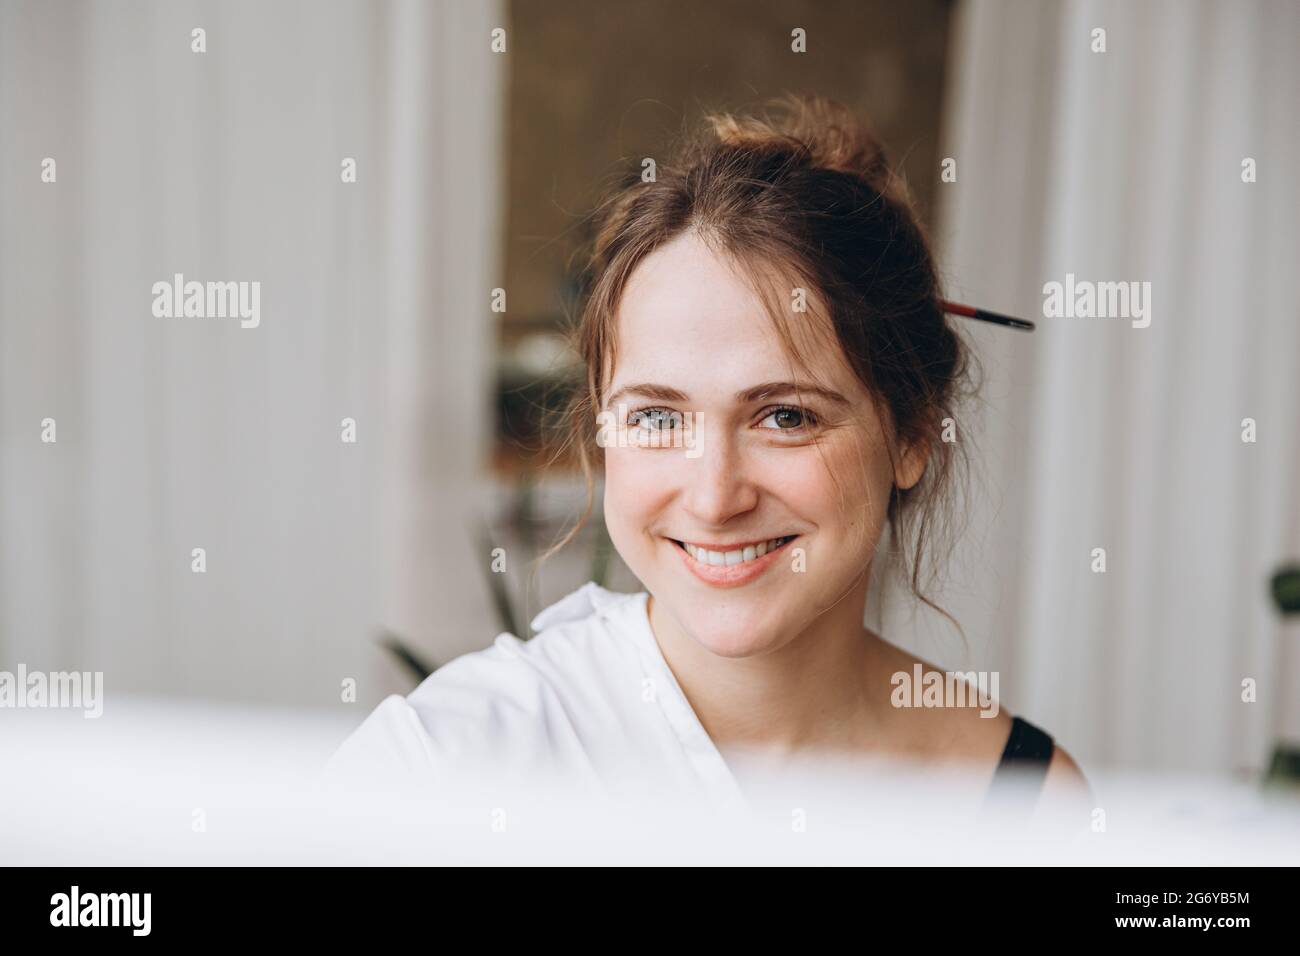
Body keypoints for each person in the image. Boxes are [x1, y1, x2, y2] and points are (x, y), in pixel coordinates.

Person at [326, 94, 1090, 827]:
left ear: (913, 436)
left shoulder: (1021, 802)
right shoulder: (449, 759)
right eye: (658, 416)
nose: (715, 496)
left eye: (785, 416)